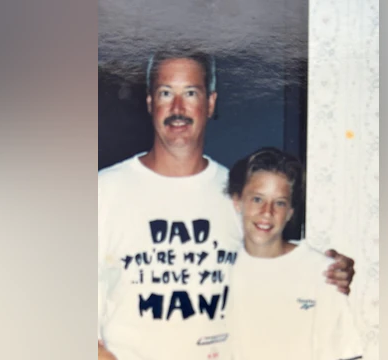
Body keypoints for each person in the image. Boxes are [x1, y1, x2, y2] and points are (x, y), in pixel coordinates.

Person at [98, 46, 356, 360]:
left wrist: (328, 271)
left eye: (191, 93)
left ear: (210, 103)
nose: (178, 107)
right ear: (151, 103)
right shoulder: (104, 190)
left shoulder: (240, 196)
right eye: (166, 93)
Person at [226, 147, 363, 360]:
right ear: (237, 201)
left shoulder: (322, 273)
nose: (267, 212)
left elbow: (345, 353)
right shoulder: (219, 269)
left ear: (290, 212)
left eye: (279, 203)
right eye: (257, 199)